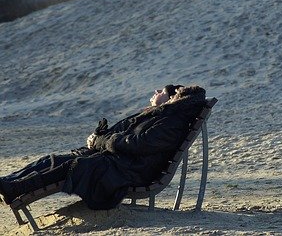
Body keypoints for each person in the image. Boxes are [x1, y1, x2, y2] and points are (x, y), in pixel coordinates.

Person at [0, 84, 207, 210]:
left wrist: (100, 142)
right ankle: (10, 183)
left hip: (129, 171)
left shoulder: (170, 122)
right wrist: (99, 139)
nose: (155, 91)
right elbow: (124, 133)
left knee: (72, 165)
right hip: (121, 162)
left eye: (161, 91)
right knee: (54, 159)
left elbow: (138, 143)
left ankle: (17, 188)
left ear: (171, 98)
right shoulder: (159, 116)